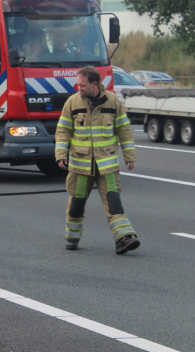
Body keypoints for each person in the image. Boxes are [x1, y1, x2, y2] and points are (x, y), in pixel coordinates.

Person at [55, 66, 140, 254]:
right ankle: (72, 238)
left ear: (95, 83)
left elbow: (124, 131)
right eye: (78, 85)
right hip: (80, 165)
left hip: (106, 165)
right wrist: (60, 155)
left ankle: (124, 238)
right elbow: (63, 131)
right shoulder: (72, 102)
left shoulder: (113, 101)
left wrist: (130, 156)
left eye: (82, 85)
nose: (79, 88)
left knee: (114, 201)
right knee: (77, 203)